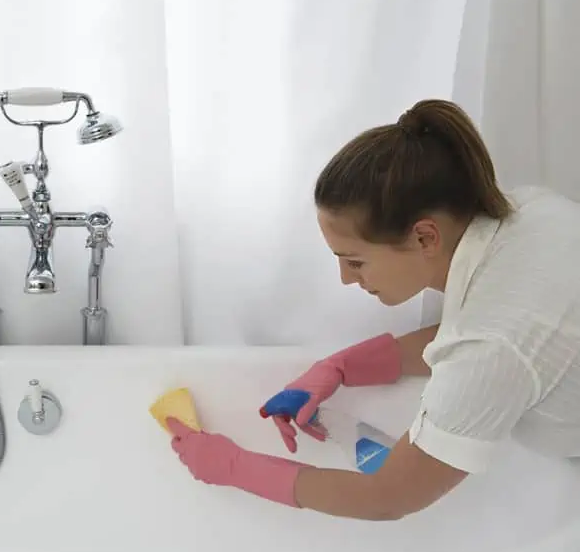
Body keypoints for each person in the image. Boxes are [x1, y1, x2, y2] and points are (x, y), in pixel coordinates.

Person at [166, 98, 580, 520]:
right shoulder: (531, 211)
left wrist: (235, 468)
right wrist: (344, 366)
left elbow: (387, 497)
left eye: (355, 261)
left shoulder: (490, 347)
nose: (347, 278)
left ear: (424, 238)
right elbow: (507, 333)